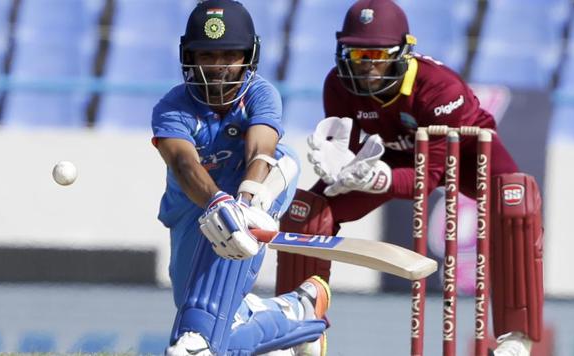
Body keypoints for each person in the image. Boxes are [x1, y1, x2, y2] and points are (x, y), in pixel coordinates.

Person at [275, 1, 543, 355]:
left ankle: (515, 337)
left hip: (463, 152)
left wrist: (377, 179)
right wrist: (341, 167)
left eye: (377, 55)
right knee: (305, 212)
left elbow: (427, 179)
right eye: (357, 56)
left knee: (516, 200)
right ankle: (299, 326)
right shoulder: (338, 84)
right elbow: (350, 150)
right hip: (388, 153)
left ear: (403, 53)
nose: (367, 66)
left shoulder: (438, 87)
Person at [151, 1, 330, 355]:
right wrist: (218, 204)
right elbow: (185, 165)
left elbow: (261, 149)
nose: (217, 67)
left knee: (282, 161)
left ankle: (204, 337)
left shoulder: (260, 94)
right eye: (207, 56)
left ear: (249, 56)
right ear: (190, 56)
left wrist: (245, 205)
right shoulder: (171, 108)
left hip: (256, 196)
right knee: (220, 332)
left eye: (228, 55)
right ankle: (297, 312)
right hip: (193, 207)